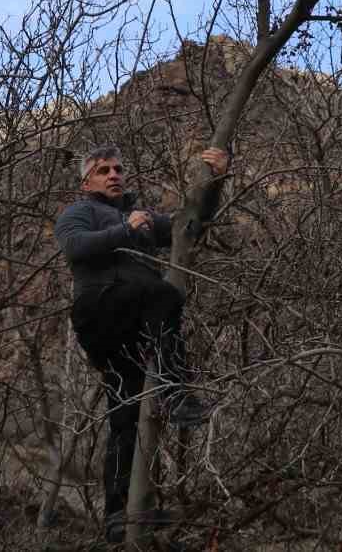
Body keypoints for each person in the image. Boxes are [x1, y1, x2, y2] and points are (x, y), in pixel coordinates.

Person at [54, 143, 228, 543]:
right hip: (100, 311)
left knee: (127, 415)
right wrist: (125, 229)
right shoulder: (80, 212)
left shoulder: (142, 218)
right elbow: (75, 246)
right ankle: (176, 392)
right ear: (87, 181)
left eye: (118, 169)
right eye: (103, 170)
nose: (114, 175)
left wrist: (216, 182)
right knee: (163, 294)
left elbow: (190, 226)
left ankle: (118, 515)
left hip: (132, 326)